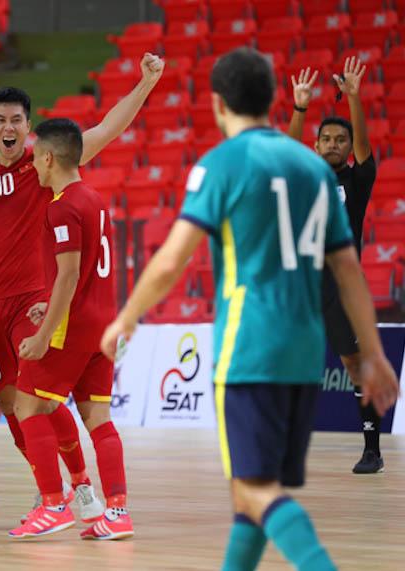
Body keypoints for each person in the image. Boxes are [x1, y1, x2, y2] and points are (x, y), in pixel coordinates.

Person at [101, 48, 399, 570]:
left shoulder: (223, 163)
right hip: (305, 351)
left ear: (217, 103)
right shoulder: (312, 170)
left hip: (251, 346)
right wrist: (374, 353)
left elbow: (172, 261)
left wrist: (126, 319)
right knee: (252, 496)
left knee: (256, 492)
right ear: (271, 100)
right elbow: (350, 267)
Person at [0, 53, 163, 520]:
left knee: (39, 401)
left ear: (29, 127)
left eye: (18, 120)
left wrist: (145, 85)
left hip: (34, 303)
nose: (9, 126)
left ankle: (78, 487)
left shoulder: (44, 163)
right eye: (1, 119)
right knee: (11, 405)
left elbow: (108, 128)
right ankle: (58, 490)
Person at [6, 118, 132, 541]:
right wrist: (50, 303)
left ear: (48, 157)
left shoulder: (60, 205)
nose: (34, 166)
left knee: (29, 408)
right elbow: (84, 274)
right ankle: (117, 513)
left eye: (37, 157)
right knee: (98, 416)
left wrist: (44, 334)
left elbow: (70, 272)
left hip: (72, 328)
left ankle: (53, 505)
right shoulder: (94, 198)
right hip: (103, 323)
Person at [288, 58, 383, 474]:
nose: (332, 144)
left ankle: (372, 449)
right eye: (325, 139)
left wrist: (357, 98)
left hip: (342, 289)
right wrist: (300, 108)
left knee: (354, 366)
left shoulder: (357, 182)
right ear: (316, 145)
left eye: (340, 140)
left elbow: (364, 146)